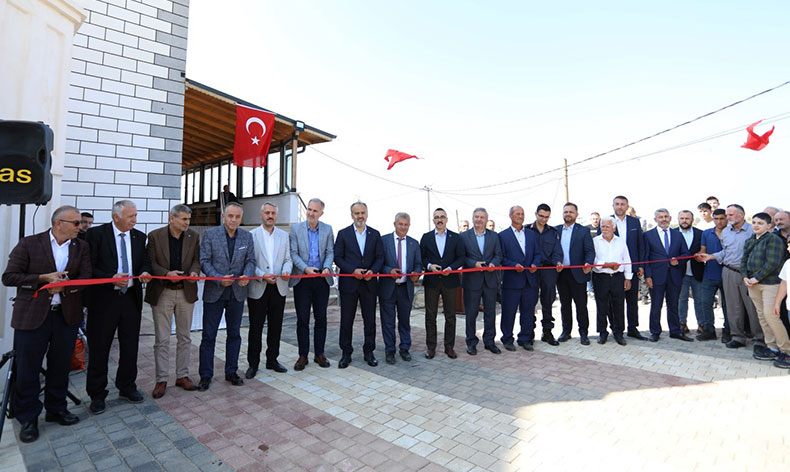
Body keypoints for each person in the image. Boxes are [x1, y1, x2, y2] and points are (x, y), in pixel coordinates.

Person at [2, 206, 91, 443]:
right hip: (32, 316)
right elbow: (9, 277)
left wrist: (66, 286)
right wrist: (43, 279)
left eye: (81, 223)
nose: (80, 227)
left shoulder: (81, 247)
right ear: (58, 223)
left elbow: (86, 278)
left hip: (66, 316)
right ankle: (28, 418)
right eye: (76, 223)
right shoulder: (29, 243)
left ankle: (56, 409)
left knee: (60, 366)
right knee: (28, 368)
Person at [84, 200, 152, 414]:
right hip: (104, 301)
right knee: (99, 348)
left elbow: (145, 262)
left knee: (130, 346)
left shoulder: (139, 237)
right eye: (131, 216)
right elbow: (88, 268)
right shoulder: (96, 235)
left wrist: (145, 272)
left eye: (136, 215)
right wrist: (110, 278)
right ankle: (97, 394)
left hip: (130, 300)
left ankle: (127, 386)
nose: (135, 220)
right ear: (116, 217)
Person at [197, 202, 255, 391]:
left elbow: (250, 261)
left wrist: (246, 275)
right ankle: (205, 375)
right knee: (209, 335)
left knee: (234, 334)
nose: (233, 220)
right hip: (215, 292)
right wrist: (218, 279)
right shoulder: (210, 235)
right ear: (223, 216)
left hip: (237, 293)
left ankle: (231, 372)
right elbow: (204, 261)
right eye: (230, 216)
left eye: (237, 217)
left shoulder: (247, 236)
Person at [145, 205, 201, 399]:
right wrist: (166, 274)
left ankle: (182, 375)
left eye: (189, 219)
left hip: (186, 292)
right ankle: (161, 379)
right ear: (172, 218)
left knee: (185, 337)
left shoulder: (193, 236)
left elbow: (197, 260)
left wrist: (194, 272)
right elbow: (151, 263)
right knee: (162, 339)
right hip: (163, 293)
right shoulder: (155, 236)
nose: (187, 223)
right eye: (184, 219)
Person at [698, 204, 765, 354]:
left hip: (748, 274)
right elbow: (726, 252)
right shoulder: (726, 232)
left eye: (731, 215)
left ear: (741, 215)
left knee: (752, 308)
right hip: (728, 272)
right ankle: (737, 337)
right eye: (727, 215)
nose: (728, 218)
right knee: (733, 307)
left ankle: (759, 339)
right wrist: (711, 256)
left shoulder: (752, 230)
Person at [334, 201, 384, 368]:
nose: (360, 216)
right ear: (352, 215)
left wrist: (373, 271)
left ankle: (369, 352)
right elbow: (338, 257)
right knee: (346, 320)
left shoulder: (375, 234)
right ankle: (346, 353)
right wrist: (352, 270)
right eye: (357, 213)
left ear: (367, 214)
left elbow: (380, 257)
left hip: (369, 284)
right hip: (349, 283)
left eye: (362, 213)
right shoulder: (343, 234)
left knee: (370, 320)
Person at [246, 202, 292, 377]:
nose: (270, 216)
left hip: (279, 286)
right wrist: (261, 275)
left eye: (273, 213)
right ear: (261, 215)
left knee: (276, 326)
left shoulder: (284, 235)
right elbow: (249, 262)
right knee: (256, 327)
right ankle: (253, 364)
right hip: (259, 286)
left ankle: (272, 360)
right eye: (267, 213)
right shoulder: (252, 235)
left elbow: (288, 259)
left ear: (276, 215)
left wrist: (286, 270)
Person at [289, 198, 334, 370]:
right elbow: (293, 253)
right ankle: (303, 355)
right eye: (309, 209)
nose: (310, 213)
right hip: (303, 279)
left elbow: (330, 252)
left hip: (321, 279)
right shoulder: (296, 229)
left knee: (321, 318)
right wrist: (305, 268)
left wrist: (327, 267)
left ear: (321, 213)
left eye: (315, 211)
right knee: (302, 319)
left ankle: (319, 354)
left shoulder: (328, 229)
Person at [420, 208, 465, 359]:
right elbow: (422, 258)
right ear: (433, 220)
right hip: (431, 281)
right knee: (430, 316)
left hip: (450, 281)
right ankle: (431, 348)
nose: (439, 220)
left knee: (450, 316)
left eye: (442, 217)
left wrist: (451, 268)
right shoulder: (426, 237)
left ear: (446, 219)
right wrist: (429, 266)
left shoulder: (456, 237)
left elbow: (461, 258)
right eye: (436, 217)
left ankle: (449, 347)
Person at [742, 213, 786, 363]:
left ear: (769, 226)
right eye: (754, 222)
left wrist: (756, 278)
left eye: (760, 223)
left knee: (771, 316)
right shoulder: (750, 240)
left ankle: (786, 349)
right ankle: (772, 347)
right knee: (762, 316)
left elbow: (772, 263)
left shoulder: (774, 240)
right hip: (752, 284)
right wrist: (745, 276)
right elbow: (743, 260)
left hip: (770, 284)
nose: (756, 225)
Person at [643, 209, 692, 342]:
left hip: (674, 275)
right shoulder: (648, 235)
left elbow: (686, 254)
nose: (663, 219)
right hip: (656, 276)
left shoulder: (678, 235)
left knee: (673, 305)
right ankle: (655, 332)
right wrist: (648, 276)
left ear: (670, 218)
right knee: (656, 305)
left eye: (666, 217)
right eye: (660, 217)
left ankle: (675, 331)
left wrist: (678, 261)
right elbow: (645, 257)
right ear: (655, 220)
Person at [602, 195, 647, 340]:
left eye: (622, 204)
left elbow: (640, 245)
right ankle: (615, 329)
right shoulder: (606, 221)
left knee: (632, 301)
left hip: (631, 268)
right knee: (614, 302)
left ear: (627, 206)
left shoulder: (634, 222)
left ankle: (633, 328)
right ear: (613, 206)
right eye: (617, 204)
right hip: (612, 270)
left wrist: (640, 265)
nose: (620, 206)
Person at [379, 212, 422, 364]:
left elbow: (418, 264)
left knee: (404, 321)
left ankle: (404, 348)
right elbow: (378, 262)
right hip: (388, 288)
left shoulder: (414, 243)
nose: (403, 227)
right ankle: (390, 350)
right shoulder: (384, 241)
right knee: (388, 321)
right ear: (394, 224)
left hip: (405, 288)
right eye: (400, 224)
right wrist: (388, 271)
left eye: (406, 225)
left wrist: (416, 273)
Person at [460, 208, 503, 354]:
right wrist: (473, 264)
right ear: (473, 218)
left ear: (486, 219)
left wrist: (493, 264)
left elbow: (498, 255)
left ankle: (489, 342)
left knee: (490, 313)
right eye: (476, 217)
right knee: (471, 313)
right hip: (472, 281)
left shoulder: (494, 236)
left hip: (490, 280)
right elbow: (462, 257)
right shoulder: (464, 236)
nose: (479, 219)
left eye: (482, 217)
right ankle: (471, 342)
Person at [498, 205, 541, 351]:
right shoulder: (502, 236)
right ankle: (507, 339)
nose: (520, 216)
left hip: (529, 280)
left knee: (528, 312)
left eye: (522, 214)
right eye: (517, 214)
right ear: (511, 216)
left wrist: (535, 264)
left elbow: (538, 254)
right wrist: (513, 265)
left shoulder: (531, 234)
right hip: (512, 281)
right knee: (509, 312)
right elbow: (501, 257)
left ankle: (525, 338)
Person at [556, 203, 595, 345]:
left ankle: (583, 333)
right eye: (565, 212)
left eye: (571, 212)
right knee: (565, 305)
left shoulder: (583, 231)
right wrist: (556, 261)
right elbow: (553, 251)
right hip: (561, 273)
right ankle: (566, 331)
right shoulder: (556, 230)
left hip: (578, 273)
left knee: (581, 305)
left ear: (576, 214)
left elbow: (590, 251)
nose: (568, 214)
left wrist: (588, 263)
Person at [527, 204, 563, 345]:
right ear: (536, 214)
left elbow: (557, 251)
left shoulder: (553, 232)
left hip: (548, 270)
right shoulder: (527, 230)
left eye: (547, 217)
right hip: (532, 270)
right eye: (541, 216)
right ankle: (529, 332)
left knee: (548, 301)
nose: (544, 219)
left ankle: (547, 332)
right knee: (530, 301)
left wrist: (558, 262)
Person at [592, 218, 631, 345]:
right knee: (601, 306)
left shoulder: (620, 241)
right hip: (601, 277)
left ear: (614, 228)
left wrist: (628, 278)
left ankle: (618, 333)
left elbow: (627, 259)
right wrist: (606, 264)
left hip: (617, 277)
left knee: (618, 305)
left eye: (607, 226)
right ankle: (602, 332)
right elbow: (592, 259)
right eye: (603, 226)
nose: (605, 229)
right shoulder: (595, 241)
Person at [697, 209, 730, 341]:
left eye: (722, 218)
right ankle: (709, 331)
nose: (719, 221)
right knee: (705, 303)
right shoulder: (706, 233)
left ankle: (728, 331)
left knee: (727, 305)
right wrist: (699, 256)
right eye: (716, 219)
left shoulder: (732, 233)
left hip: (727, 274)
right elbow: (703, 250)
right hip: (709, 273)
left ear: (727, 219)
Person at [677, 210, 704, 334]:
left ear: (692, 220)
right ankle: (682, 324)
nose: (684, 221)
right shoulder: (673, 233)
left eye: (687, 218)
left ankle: (702, 324)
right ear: (678, 219)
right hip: (680, 273)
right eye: (682, 218)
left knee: (699, 300)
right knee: (681, 300)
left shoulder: (701, 234)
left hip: (697, 272)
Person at [773, 239, 790, 368]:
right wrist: (777, 303)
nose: (788, 248)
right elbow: (784, 283)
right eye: (788, 245)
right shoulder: (788, 263)